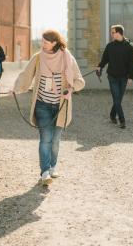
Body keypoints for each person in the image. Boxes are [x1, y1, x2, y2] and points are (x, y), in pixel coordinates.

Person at [13, 29, 85, 186]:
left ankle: (53, 167)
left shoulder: (67, 58)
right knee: (45, 139)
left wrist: (70, 89)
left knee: (56, 141)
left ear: (54, 43)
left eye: (45, 42)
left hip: (60, 107)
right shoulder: (38, 58)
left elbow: (80, 81)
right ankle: (45, 172)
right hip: (42, 105)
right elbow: (26, 75)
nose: (42, 44)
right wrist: (16, 88)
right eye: (42, 41)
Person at [96, 24, 133, 129]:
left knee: (118, 99)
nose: (111, 34)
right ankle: (122, 120)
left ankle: (112, 115)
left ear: (119, 33)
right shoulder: (110, 46)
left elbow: (132, 63)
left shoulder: (128, 47)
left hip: (124, 77)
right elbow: (104, 59)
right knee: (116, 99)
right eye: (111, 32)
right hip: (112, 76)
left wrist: (131, 77)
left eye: (113, 32)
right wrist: (100, 66)